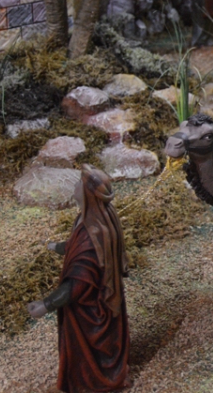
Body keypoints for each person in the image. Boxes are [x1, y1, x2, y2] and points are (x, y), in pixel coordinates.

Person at [27, 165, 130, 393]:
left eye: (78, 183)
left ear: (87, 192)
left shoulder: (92, 235)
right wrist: (57, 247)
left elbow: (78, 284)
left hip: (91, 309)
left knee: (89, 354)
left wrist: (46, 304)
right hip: (102, 301)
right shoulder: (96, 218)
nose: (74, 186)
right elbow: (77, 246)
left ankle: (94, 382)